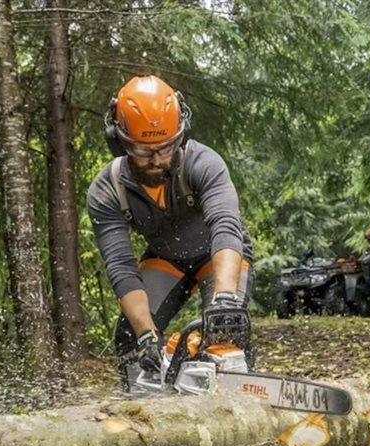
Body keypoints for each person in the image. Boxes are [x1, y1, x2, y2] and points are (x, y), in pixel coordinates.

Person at [87, 75, 254, 390]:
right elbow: (121, 266)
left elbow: (226, 226)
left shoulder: (203, 163)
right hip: (166, 259)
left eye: (165, 148)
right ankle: (148, 413)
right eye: (143, 150)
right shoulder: (107, 190)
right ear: (118, 140)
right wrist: (146, 335)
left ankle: (237, 403)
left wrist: (225, 299)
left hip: (216, 257)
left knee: (224, 333)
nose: (156, 160)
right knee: (130, 336)